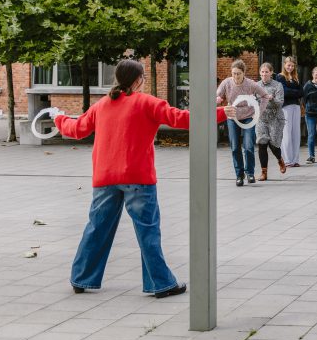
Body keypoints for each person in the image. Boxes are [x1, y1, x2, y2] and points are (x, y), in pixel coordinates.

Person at [51, 59, 234, 297]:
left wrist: (59, 118)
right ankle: (161, 284)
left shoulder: (102, 105)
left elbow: (76, 130)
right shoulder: (147, 103)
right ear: (138, 80)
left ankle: (81, 278)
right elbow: (182, 118)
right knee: (148, 231)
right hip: (138, 177)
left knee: (97, 228)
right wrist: (220, 113)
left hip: (105, 177)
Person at [217, 60, 272, 186]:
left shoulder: (250, 84)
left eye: (238, 74)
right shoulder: (227, 83)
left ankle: (250, 173)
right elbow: (218, 95)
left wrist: (259, 112)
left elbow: (265, 96)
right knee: (235, 146)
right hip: (233, 117)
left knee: (248, 146)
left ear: (243, 73)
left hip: (248, 117)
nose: (236, 76)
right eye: (234, 73)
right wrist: (218, 99)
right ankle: (239, 175)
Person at [256, 62, 286, 181]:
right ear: (260, 73)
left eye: (266, 72)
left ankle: (280, 159)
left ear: (271, 72)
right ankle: (264, 172)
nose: (264, 74)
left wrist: (272, 99)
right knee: (262, 143)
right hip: (261, 118)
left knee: (273, 145)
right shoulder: (256, 85)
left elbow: (280, 103)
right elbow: (252, 100)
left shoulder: (277, 85)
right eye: (262, 72)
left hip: (275, 118)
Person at [275, 56, 303, 167]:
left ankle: (295, 160)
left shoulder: (295, 77)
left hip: (296, 106)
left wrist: (294, 92)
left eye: (292, 65)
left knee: (296, 133)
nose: (290, 67)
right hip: (285, 107)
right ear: (284, 65)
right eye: (288, 65)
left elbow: (301, 92)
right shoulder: (280, 77)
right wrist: (295, 92)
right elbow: (284, 92)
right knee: (286, 133)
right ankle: (287, 160)